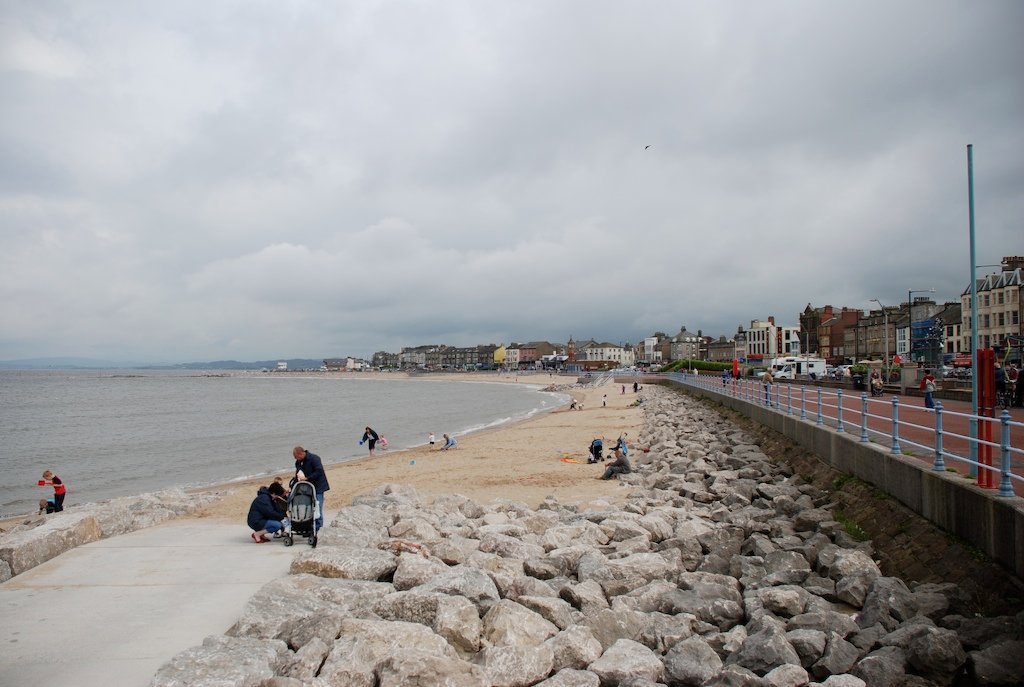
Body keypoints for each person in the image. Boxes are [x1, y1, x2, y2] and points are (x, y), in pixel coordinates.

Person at [293, 446, 330, 530]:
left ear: (300, 454)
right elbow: (297, 475)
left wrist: (308, 478)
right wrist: (293, 487)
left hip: (318, 486)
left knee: (318, 507)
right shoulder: (298, 462)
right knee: (308, 507)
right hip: (307, 488)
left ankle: (318, 528)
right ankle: (310, 527)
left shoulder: (314, 458)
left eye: (296, 457)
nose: (296, 459)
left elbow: (319, 471)